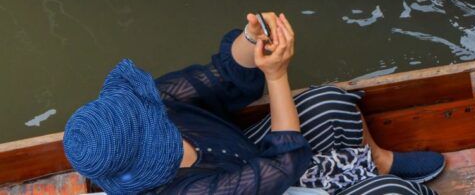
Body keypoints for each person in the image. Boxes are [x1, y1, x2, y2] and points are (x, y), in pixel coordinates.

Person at [62, 12, 445, 194]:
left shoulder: (154, 103)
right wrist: (276, 76)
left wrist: (251, 38)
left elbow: (223, 76)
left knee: (330, 102)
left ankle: (380, 161)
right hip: (269, 183)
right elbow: (285, 166)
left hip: (255, 155)